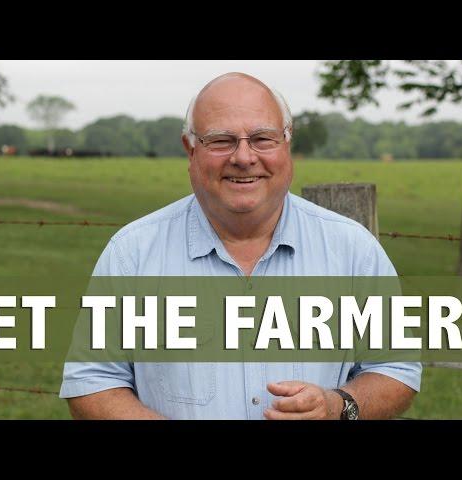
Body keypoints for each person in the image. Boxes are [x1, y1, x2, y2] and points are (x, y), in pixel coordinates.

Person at [59, 72, 421, 420]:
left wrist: (338, 407)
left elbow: (395, 368)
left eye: (262, 138)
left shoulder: (353, 250)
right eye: (221, 140)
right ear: (190, 149)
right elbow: (93, 384)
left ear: (286, 144)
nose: (244, 157)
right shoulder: (132, 255)